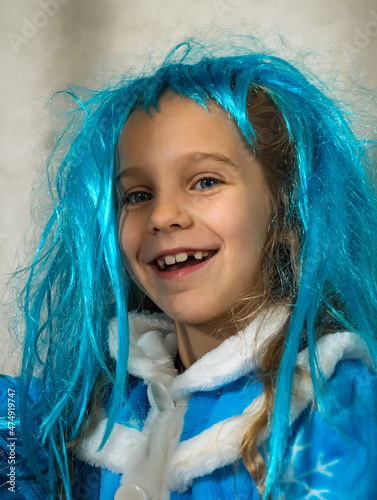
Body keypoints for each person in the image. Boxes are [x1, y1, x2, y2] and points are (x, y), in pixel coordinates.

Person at [1, 38, 377, 500]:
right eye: (138, 195)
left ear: (288, 215)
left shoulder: (330, 401)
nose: (162, 216)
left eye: (205, 182)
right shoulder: (89, 409)